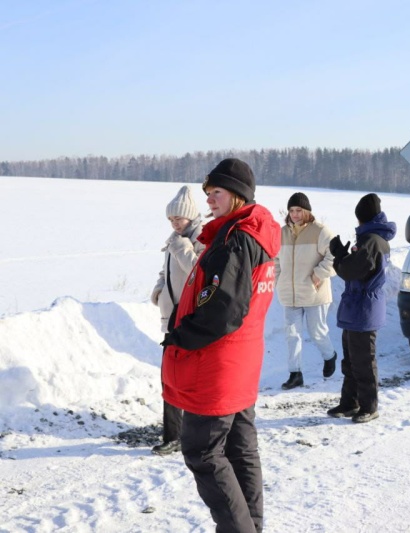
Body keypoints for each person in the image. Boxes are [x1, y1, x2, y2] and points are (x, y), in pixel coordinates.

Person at [161, 158, 280, 533]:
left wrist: (180, 336)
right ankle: (251, 526)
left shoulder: (236, 240)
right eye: (208, 193)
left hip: (217, 365)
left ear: (238, 195)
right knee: (240, 450)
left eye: (217, 192)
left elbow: (223, 309)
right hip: (239, 361)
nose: (209, 200)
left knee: (202, 451)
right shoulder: (252, 233)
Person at [325, 193, 396, 423]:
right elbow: (356, 268)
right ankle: (350, 402)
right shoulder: (370, 239)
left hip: (364, 308)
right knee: (351, 360)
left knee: (363, 360)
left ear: (363, 218)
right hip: (358, 308)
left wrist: (339, 256)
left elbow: (352, 271)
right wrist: (344, 255)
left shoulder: (372, 241)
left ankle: (369, 406)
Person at [150, 185, 205, 456]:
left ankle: (193, 433)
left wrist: (182, 245)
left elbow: (197, 270)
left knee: (190, 379)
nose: (174, 223)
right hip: (172, 316)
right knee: (169, 378)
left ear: (190, 217)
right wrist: (159, 290)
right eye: (171, 219)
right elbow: (166, 270)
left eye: (178, 218)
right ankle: (173, 435)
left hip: (191, 319)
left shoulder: (200, 237)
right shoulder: (175, 237)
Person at [275, 192, 338, 390]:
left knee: (317, 332)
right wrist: (279, 280)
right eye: (292, 210)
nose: (294, 214)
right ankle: (295, 374)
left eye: (299, 210)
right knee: (292, 334)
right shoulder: (282, 232)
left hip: (314, 292)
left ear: (307, 211)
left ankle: (330, 356)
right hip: (290, 293)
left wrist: (318, 274)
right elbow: (276, 260)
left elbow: (334, 255)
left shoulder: (320, 231)